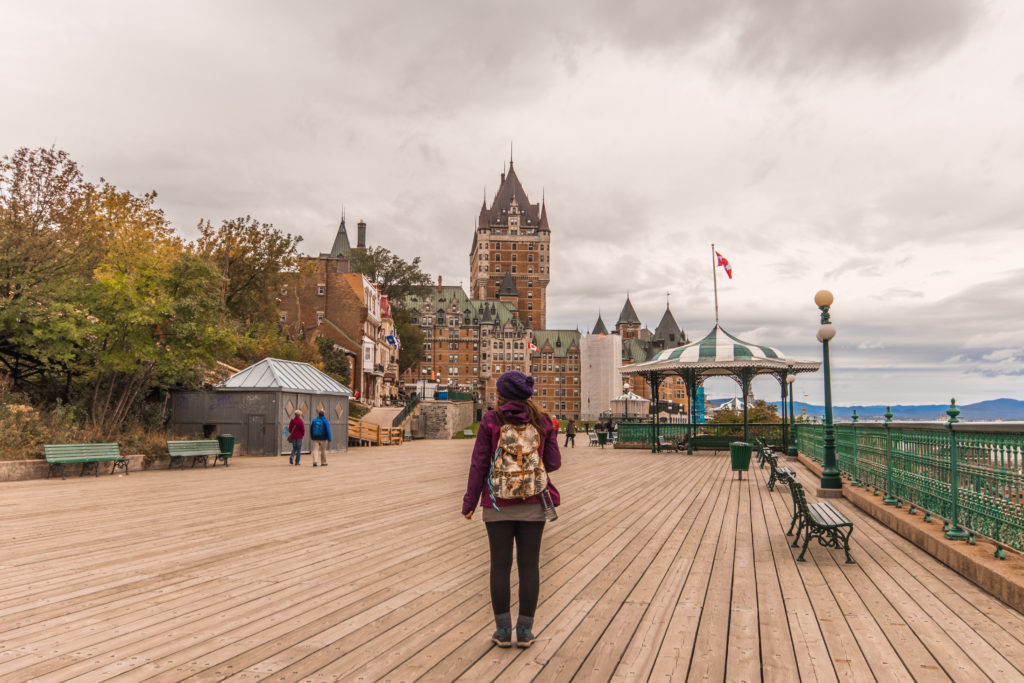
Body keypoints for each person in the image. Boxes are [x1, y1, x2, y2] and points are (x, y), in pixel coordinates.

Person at [463, 370, 560, 650]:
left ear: (502, 394)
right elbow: (553, 463)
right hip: (533, 502)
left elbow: (478, 465)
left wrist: (469, 503)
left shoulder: (491, 420)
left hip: (497, 504)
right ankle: (526, 632)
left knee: (500, 566)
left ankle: (503, 631)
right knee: (529, 566)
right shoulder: (542, 421)